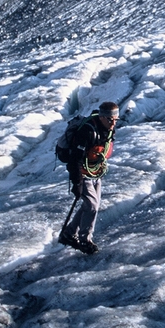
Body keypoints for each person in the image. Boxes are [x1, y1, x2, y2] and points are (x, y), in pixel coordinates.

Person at [59, 102, 119, 254]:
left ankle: (69, 233)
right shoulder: (87, 132)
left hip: (95, 171)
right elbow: (75, 159)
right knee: (92, 206)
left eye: (115, 120)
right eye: (110, 119)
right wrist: (77, 182)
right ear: (102, 117)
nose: (113, 123)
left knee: (92, 205)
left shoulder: (108, 130)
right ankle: (85, 240)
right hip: (82, 172)